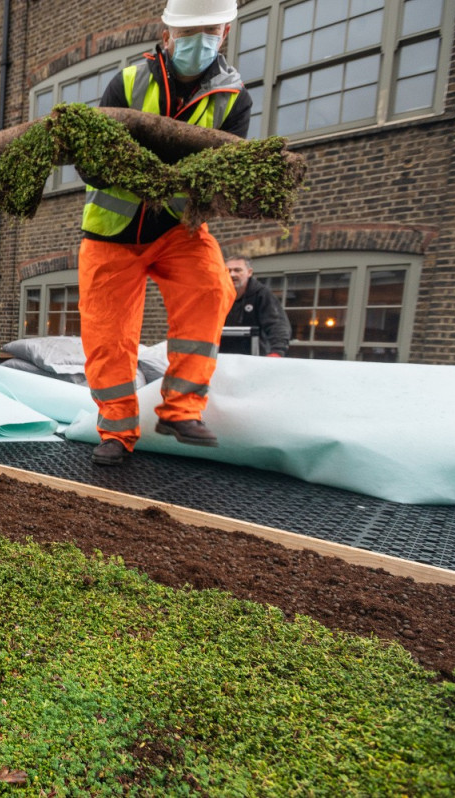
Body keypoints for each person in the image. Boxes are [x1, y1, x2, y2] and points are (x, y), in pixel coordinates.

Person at [77, 0, 250, 467]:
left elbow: (224, 178)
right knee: (108, 334)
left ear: (225, 31)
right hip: (111, 233)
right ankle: (116, 431)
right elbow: (90, 165)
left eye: (209, 31)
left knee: (213, 288)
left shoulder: (233, 98)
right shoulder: (129, 82)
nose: (198, 42)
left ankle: (181, 409)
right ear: (167, 34)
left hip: (178, 228)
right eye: (188, 32)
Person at [224, 256, 291, 357]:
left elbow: (278, 325)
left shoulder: (262, 294)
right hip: (220, 359)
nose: (232, 274)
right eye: (228, 271)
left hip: (253, 358)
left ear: (249, 272)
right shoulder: (216, 295)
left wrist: (276, 352)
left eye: (237, 270)